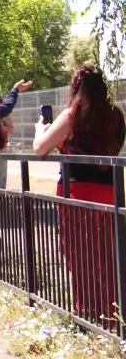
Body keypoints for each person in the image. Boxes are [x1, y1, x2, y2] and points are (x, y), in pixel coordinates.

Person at [34, 65, 126, 323]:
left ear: (76, 87)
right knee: (107, 252)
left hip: (76, 190)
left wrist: (41, 128)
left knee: (79, 252)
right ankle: (112, 313)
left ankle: (87, 311)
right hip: (110, 190)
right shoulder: (116, 116)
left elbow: (41, 148)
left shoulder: (72, 115)